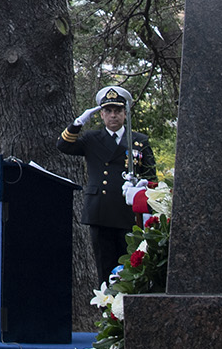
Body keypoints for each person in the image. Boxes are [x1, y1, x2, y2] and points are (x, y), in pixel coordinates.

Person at [57, 85, 155, 283]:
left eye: (118, 111)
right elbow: (63, 145)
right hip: (101, 210)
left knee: (131, 265)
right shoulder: (92, 139)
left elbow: (152, 178)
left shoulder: (138, 141)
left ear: (125, 114)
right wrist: (78, 122)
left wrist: (141, 187)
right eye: (108, 111)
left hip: (128, 212)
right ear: (101, 115)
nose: (113, 115)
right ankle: (106, 309)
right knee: (105, 266)